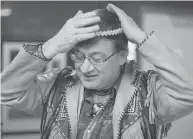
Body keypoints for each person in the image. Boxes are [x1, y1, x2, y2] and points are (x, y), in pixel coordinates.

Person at [1, 3, 193, 139]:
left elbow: (187, 95)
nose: (85, 68)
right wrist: (51, 46)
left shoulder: (148, 92)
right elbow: (7, 91)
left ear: (121, 56)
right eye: (78, 56)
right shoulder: (57, 87)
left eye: (97, 58)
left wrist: (143, 38)